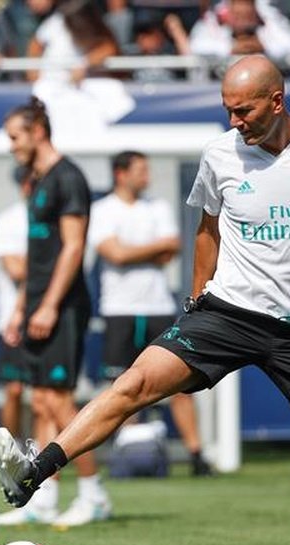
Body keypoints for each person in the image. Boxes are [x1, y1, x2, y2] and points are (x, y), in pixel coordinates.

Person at [0, 55, 290, 545]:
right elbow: (206, 230)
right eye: (227, 111)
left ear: (276, 101)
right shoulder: (219, 155)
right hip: (227, 313)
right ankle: (31, 475)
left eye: (243, 110)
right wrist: (195, 302)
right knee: (134, 382)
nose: (234, 121)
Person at [0, 96, 110, 528]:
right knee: (41, 401)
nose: (10, 146)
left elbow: (74, 247)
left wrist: (47, 305)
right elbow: (37, 254)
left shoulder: (68, 178)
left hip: (62, 308)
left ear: (37, 132)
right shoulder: (37, 181)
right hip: (39, 306)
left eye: (14, 137)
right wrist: (22, 307)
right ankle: (42, 496)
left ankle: (94, 493)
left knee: (60, 402)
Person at [88, 150, 211, 476]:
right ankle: (132, 457)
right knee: (123, 385)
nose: (148, 176)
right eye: (141, 170)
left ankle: (197, 455)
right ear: (121, 174)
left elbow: (171, 247)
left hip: (158, 306)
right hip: (119, 310)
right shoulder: (102, 210)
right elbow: (114, 253)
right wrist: (149, 250)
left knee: (181, 383)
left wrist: (131, 251)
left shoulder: (157, 206)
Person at [0, 166, 29, 438]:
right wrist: (47, 267)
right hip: (14, 319)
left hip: (54, 316)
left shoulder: (59, 219)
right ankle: (12, 453)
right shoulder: (8, 220)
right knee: (13, 389)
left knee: (49, 395)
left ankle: (45, 460)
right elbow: (16, 270)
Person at [26, 0, 118, 85]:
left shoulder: (87, 20)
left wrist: (83, 65)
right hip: (50, 84)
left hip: (81, 87)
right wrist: (33, 71)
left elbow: (108, 48)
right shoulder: (55, 21)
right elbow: (35, 44)